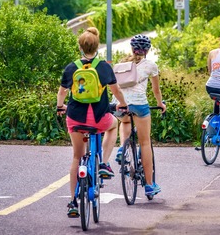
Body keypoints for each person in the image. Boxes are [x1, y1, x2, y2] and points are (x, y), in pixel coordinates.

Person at [56, 27, 129, 218]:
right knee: (114, 125)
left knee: (76, 157)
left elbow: (62, 92)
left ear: (80, 47)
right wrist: (122, 103)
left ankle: (73, 201)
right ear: (97, 46)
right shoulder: (103, 66)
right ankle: (103, 163)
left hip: (75, 117)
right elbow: (116, 90)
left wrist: (60, 106)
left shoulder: (71, 67)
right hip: (99, 117)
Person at [114, 34, 166, 197]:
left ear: (132, 49)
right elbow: (156, 90)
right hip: (139, 105)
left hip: (119, 103)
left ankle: (123, 148)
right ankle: (149, 185)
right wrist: (160, 104)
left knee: (125, 122)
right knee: (145, 143)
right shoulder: (150, 65)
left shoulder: (121, 64)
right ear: (147, 50)